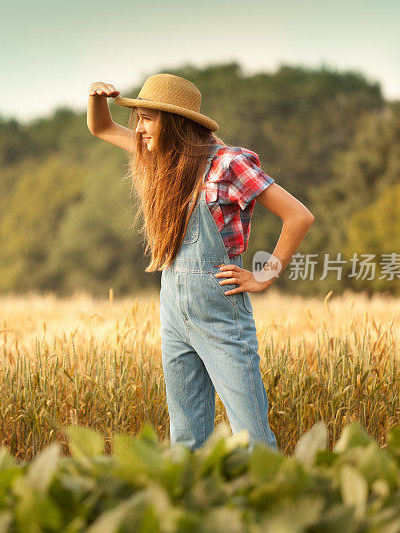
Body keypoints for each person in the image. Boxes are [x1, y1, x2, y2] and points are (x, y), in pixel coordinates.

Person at [86, 73, 314, 452]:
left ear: (175, 123)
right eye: (138, 118)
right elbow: (101, 127)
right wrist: (96, 98)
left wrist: (264, 275)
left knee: (253, 437)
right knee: (187, 440)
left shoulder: (228, 164)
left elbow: (299, 216)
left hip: (220, 311)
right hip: (173, 313)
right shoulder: (159, 156)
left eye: (147, 118)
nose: (139, 129)